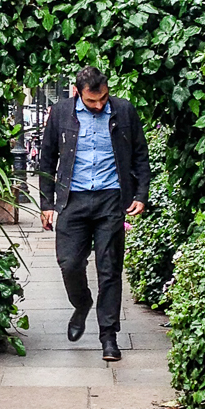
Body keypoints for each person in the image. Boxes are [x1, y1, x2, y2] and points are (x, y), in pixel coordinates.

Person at [38, 67, 150, 362]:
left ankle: (109, 337)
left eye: (102, 99)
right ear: (77, 93)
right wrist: (46, 203)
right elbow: (47, 157)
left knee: (109, 268)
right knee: (69, 263)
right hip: (72, 200)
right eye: (92, 102)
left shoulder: (124, 110)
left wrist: (140, 194)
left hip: (111, 199)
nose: (99, 106)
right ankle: (82, 302)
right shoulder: (61, 112)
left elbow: (140, 154)